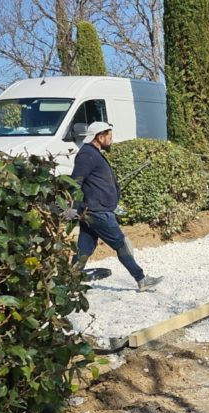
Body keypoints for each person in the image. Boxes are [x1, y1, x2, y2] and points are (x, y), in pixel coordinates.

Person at [67, 121, 162, 292]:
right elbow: (75, 182)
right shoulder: (87, 155)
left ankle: (69, 282)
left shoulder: (93, 153)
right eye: (109, 137)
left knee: (84, 248)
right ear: (100, 137)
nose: (111, 140)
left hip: (94, 210)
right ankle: (141, 279)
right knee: (121, 244)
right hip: (97, 212)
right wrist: (73, 207)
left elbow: (96, 183)